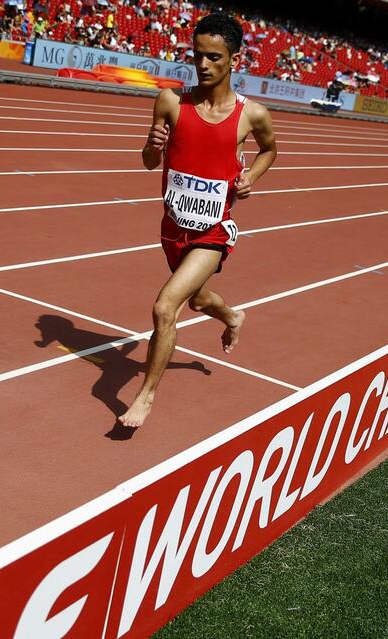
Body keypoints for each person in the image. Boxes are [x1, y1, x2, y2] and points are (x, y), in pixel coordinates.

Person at [118, 12, 277, 429]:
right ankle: (232, 316)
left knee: (165, 306)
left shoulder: (251, 114)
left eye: (213, 57)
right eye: (197, 56)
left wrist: (250, 177)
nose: (203, 65)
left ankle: (145, 397)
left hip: (213, 231)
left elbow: (269, 150)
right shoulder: (171, 101)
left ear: (234, 59)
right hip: (173, 229)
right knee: (198, 300)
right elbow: (149, 163)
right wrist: (152, 146)